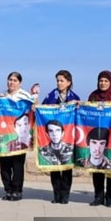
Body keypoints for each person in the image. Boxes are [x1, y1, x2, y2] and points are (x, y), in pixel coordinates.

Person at [41, 70, 80, 204]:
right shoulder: (51, 96)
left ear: (69, 82)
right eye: (57, 80)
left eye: (62, 80)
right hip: (53, 138)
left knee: (67, 168)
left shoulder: (74, 97)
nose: (59, 83)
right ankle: (56, 194)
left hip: (68, 138)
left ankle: (65, 195)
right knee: (55, 168)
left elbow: (80, 116)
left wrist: (78, 106)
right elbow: (43, 110)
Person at [87, 70, 111, 207]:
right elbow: (87, 114)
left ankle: (110, 196)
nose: (103, 83)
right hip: (97, 136)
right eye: (101, 81)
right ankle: (98, 196)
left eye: (106, 81)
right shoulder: (93, 96)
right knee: (97, 168)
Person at [0, 71, 34, 201]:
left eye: (14, 80)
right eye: (10, 80)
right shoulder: (2, 96)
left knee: (17, 165)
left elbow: (33, 110)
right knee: (4, 165)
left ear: (19, 82)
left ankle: (17, 190)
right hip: (6, 136)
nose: (11, 82)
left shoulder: (25, 97)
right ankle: (8, 189)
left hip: (21, 137)